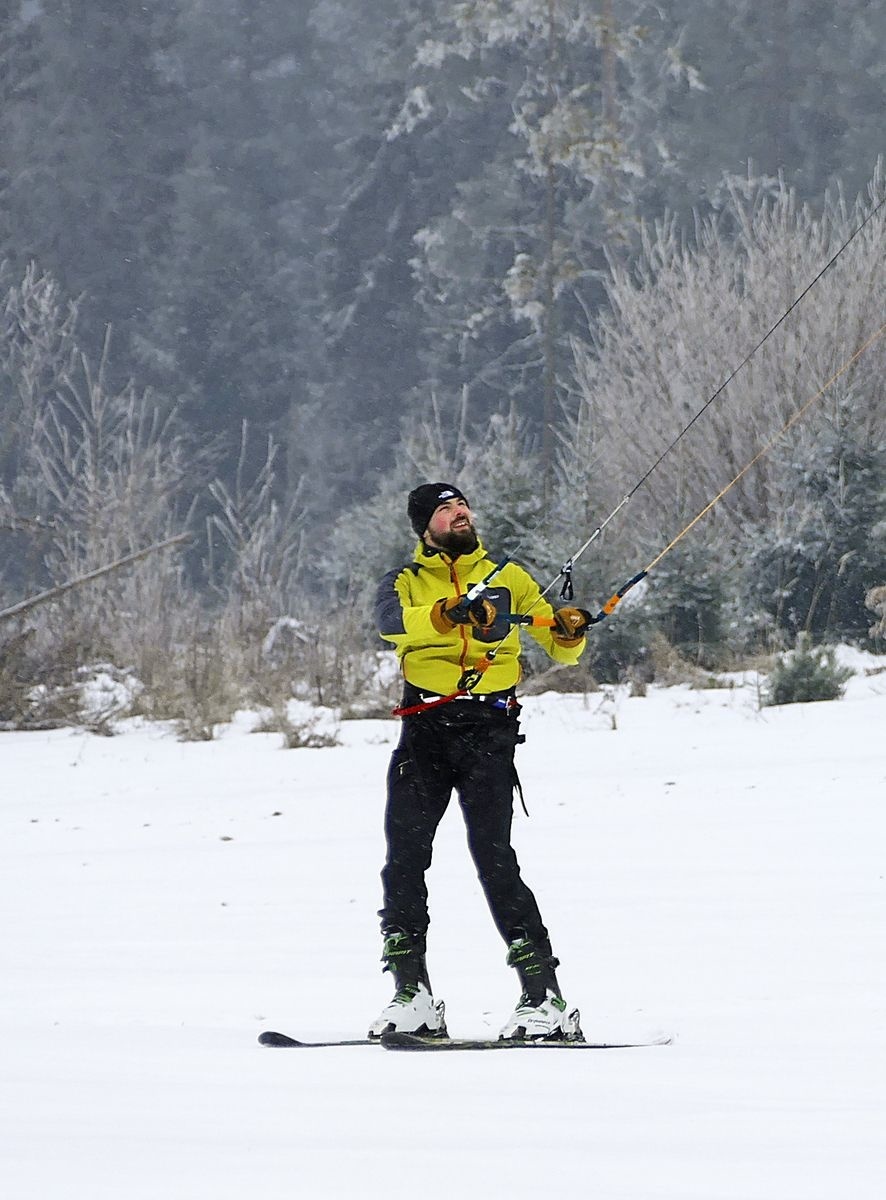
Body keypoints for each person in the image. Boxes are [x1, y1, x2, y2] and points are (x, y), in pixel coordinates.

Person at [369, 482, 591, 1041]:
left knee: (493, 856)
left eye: (462, 506)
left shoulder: (509, 577)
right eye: (445, 510)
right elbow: (392, 624)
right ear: (425, 527)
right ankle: (411, 994)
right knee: (404, 857)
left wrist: (571, 629)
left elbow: (560, 647)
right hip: (424, 731)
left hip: (489, 730)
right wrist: (447, 613)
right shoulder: (404, 581)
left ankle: (544, 998)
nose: (458, 513)